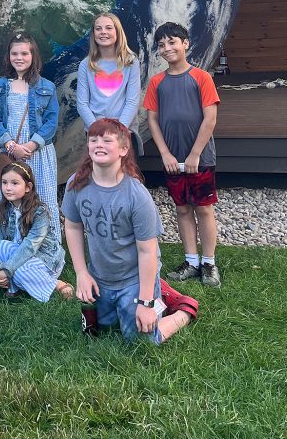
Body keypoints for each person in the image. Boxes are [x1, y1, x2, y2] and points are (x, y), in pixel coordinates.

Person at [63, 118, 198, 344]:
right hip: (101, 276)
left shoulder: (136, 195)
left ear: (124, 149)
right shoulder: (76, 184)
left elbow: (147, 251)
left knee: (142, 341)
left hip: (133, 278)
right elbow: (72, 225)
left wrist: (145, 304)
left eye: (107, 140)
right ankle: (158, 292)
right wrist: (81, 274)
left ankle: (183, 309)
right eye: (93, 139)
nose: (98, 144)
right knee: (102, 326)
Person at [143, 22, 222, 287]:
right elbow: (153, 120)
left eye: (172, 42)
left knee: (204, 209)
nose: (167, 48)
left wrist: (195, 154)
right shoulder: (157, 82)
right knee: (182, 209)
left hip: (200, 159)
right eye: (162, 45)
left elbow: (210, 118)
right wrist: (164, 153)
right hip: (172, 160)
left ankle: (209, 263)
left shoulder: (201, 77)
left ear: (185, 43)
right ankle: (191, 261)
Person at [0, 31, 61, 245]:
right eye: (14, 54)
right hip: (11, 152)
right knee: (11, 197)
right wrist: (11, 146)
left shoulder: (46, 87)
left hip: (37, 153)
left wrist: (30, 145)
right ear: (8, 57)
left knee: (42, 198)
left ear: (33, 56)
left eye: (24, 53)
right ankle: (12, 244)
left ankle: (47, 247)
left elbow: (51, 121)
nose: (19, 58)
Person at [0, 162, 69, 302]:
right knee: (1, 246)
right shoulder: (1, 209)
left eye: (15, 183)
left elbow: (30, 246)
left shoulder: (39, 212)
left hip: (45, 259)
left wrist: (6, 270)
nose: (8, 188)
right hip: (19, 255)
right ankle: (16, 286)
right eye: (4, 183)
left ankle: (55, 284)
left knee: (19, 270)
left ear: (28, 187)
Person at [76, 11, 142, 152]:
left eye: (108, 28)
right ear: (93, 34)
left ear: (117, 32)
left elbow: (132, 102)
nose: (103, 32)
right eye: (98, 29)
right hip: (95, 133)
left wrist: (118, 131)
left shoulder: (131, 62)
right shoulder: (85, 65)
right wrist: (98, 131)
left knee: (125, 174)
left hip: (124, 132)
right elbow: (82, 104)